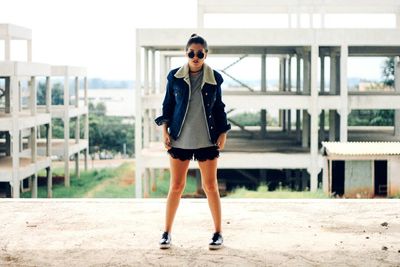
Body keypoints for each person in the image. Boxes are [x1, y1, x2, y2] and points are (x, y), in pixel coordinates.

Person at [154, 33, 231, 250]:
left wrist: (223, 133)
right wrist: (165, 132)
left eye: (199, 53)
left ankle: (218, 233)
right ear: (186, 53)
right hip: (179, 139)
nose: (195, 57)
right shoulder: (175, 77)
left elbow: (219, 108)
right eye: (191, 53)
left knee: (210, 186)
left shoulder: (214, 77)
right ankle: (166, 232)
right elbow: (167, 106)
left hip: (207, 139)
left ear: (206, 54)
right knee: (176, 186)